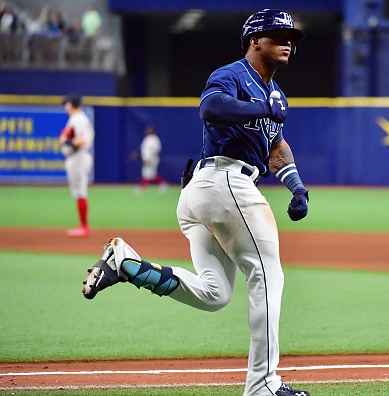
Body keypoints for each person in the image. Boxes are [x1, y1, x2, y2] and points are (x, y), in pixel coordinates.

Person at [81, 9, 310, 396]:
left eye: (290, 37)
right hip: (223, 181)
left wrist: (297, 186)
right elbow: (211, 109)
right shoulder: (233, 75)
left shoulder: (276, 94)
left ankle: (126, 264)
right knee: (268, 276)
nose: (287, 41)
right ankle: (264, 386)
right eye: (277, 35)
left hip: (206, 193)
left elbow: (275, 147)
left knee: (214, 293)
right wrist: (262, 108)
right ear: (255, 41)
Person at [60, 94, 95, 237]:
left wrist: (65, 141)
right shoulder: (77, 118)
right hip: (76, 157)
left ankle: (84, 226)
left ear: (71, 104)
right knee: (78, 192)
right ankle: (83, 225)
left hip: (78, 157)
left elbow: (82, 141)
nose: (65, 106)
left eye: (66, 103)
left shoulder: (79, 119)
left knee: (80, 192)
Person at [130, 124, 168, 195]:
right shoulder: (147, 139)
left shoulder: (154, 139)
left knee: (146, 174)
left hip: (152, 159)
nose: (148, 130)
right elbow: (143, 150)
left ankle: (141, 189)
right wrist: (137, 154)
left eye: (150, 130)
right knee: (152, 174)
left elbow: (157, 150)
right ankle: (163, 185)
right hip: (146, 159)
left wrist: (151, 158)